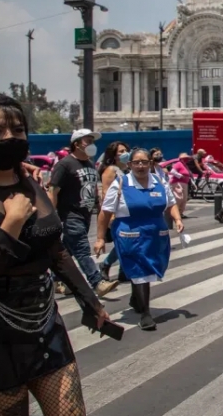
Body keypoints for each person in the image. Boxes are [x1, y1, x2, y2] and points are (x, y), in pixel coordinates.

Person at [0, 92, 112, 413]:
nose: (9, 137)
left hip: (46, 330)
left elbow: (56, 250)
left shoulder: (29, 182)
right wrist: (10, 224)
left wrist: (90, 301)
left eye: (18, 129)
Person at [96, 148, 183, 330]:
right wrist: (100, 238)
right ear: (130, 165)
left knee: (146, 271)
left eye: (144, 162)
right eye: (137, 162)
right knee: (141, 272)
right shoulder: (121, 183)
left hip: (156, 236)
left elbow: (171, 204)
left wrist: (177, 219)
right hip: (130, 236)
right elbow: (105, 213)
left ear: (150, 164)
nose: (141, 166)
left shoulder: (159, 181)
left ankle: (137, 299)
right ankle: (145, 314)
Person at [47, 128, 118, 297]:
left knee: (66, 250)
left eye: (92, 141)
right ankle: (96, 281)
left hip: (86, 216)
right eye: (87, 141)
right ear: (76, 144)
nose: (91, 144)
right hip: (70, 215)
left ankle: (55, 280)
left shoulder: (89, 164)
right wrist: (51, 217)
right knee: (81, 249)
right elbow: (53, 190)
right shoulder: (64, 165)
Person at [97, 141, 131, 282]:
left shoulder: (127, 169)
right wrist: (110, 215)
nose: (124, 153)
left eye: (125, 150)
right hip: (114, 212)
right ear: (113, 155)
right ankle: (106, 264)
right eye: (120, 151)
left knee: (126, 241)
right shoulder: (111, 170)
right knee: (123, 242)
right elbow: (105, 193)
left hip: (127, 210)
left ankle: (123, 271)